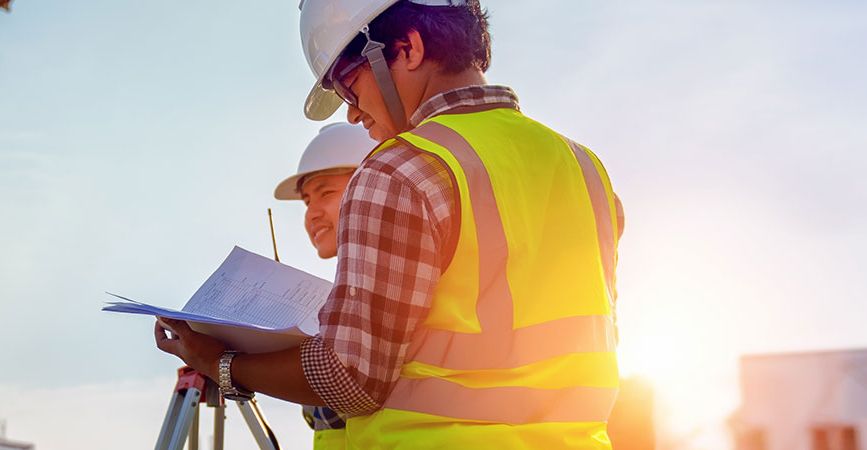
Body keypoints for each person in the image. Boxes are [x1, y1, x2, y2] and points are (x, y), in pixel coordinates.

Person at [156, 0, 626, 448]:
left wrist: (220, 363)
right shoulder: (584, 167)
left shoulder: (399, 169)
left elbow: (350, 378)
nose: (352, 111)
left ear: (407, 47)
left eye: (347, 83)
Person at [273, 123, 378, 449]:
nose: (312, 214)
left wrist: (226, 367)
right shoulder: (338, 298)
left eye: (326, 193)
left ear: (371, 187)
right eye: (306, 201)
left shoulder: (386, 288)